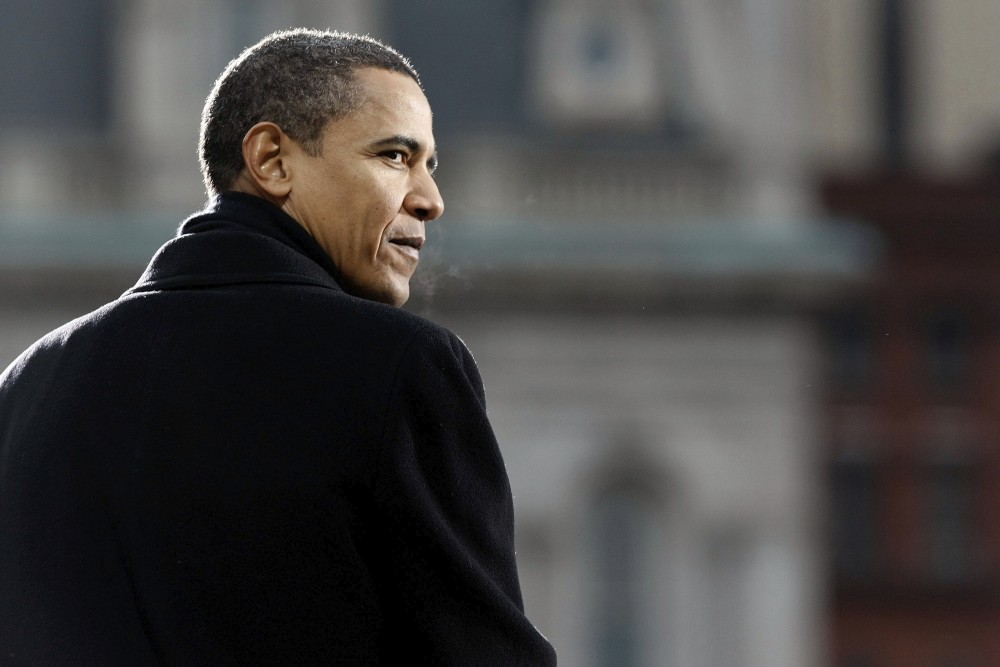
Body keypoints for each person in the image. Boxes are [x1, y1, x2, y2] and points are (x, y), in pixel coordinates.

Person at [0, 28, 556, 665]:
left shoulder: (27, 386)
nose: (430, 199)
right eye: (395, 157)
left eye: (431, 165)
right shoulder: (398, 369)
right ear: (271, 160)